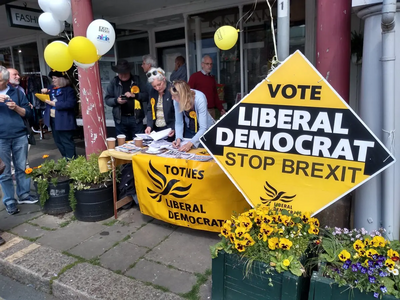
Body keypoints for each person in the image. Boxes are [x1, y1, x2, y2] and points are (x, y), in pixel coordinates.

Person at [0, 66, 38, 215]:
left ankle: (23, 194)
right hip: (1, 138)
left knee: (22, 167)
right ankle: (9, 201)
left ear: (4, 80)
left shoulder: (16, 92)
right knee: (4, 172)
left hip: (19, 135)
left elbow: (28, 113)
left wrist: (15, 107)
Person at [105, 60, 147, 141]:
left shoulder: (137, 80)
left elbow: (146, 96)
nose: (123, 75)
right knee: (122, 144)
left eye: (125, 73)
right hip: (120, 119)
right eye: (120, 73)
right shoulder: (114, 82)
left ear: (129, 71)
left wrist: (135, 95)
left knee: (139, 143)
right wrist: (117, 101)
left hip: (136, 118)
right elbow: (107, 99)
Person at [170, 80, 214, 152]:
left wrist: (190, 143)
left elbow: (203, 127)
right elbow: (179, 122)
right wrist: (178, 139)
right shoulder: (176, 100)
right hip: (190, 129)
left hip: (206, 131)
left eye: (174, 96)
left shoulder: (200, 99)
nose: (172, 98)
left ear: (182, 96)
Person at [41, 71, 77, 159]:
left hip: (64, 120)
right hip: (53, 119)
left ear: (61, 79)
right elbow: (48, 93)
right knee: (58, 141)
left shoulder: (69, 90)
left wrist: (55, 104)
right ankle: (65, 158)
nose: (53, 80)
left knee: (66, 141)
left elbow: (71, 104)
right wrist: (44, 92)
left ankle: (72, 161)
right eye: (52, 78)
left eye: (55, 78)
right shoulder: (51, 88)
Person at [188, 55, 226, 119]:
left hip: (211, 110)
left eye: (211, 64)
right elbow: (189, 93)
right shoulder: (195, 77)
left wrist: (221, 109)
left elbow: (215, 95)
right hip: (199, 110)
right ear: (202, 64)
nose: (209, 66)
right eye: (207, 64)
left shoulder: (212, 78)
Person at [145, 67, 175, 139]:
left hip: (169, 128)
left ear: (164, 79)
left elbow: (178, 112)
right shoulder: (153, 91)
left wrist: (174, 128)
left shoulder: (172, 89)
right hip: (157, 129)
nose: (157, 88)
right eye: (154, 86)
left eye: (159, 84)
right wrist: (149, 125)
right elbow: (150, 109)